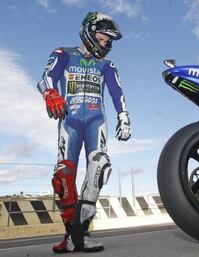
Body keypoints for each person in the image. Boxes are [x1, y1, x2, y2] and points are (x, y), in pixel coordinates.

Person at [37, 12, 131, 253]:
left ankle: (83, 231)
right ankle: (71, 236)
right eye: (104, 36)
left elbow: (116, 92)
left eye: (110, 40)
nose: (107, 43)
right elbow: (46, 77)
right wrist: (50, 93)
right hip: (69, 120)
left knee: (100, 166)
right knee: (63, 174)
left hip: (96, 120)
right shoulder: (63, 53)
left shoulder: (107, 64)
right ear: (90, 30)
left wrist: (123, 115)